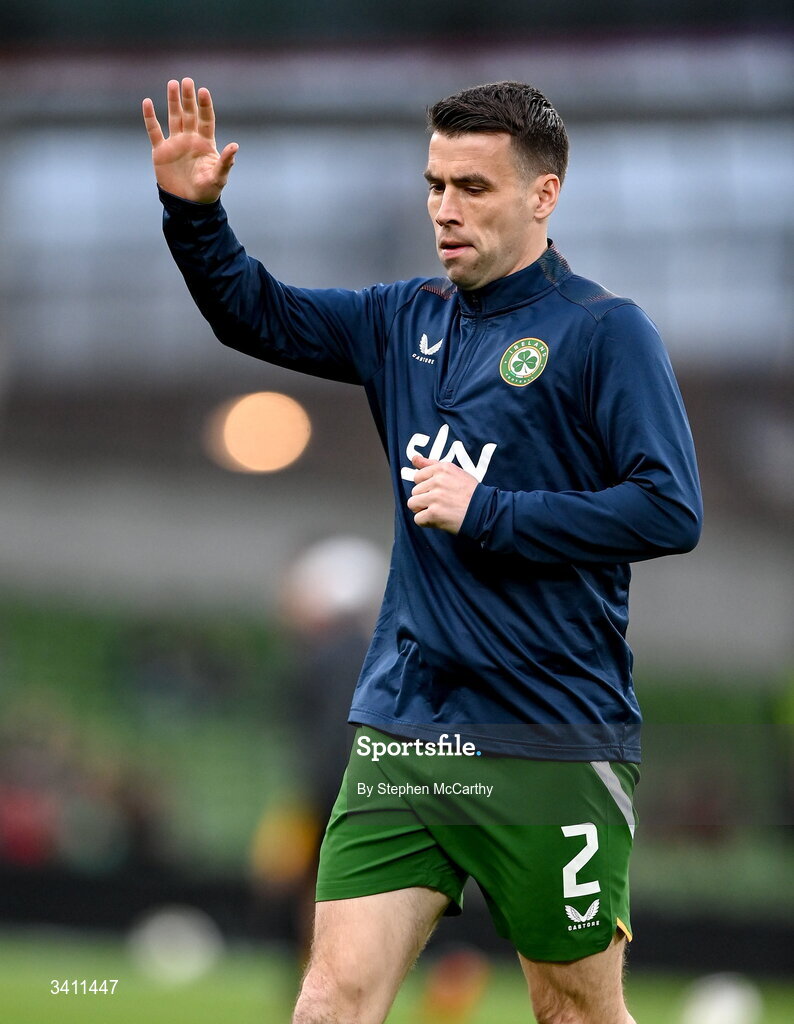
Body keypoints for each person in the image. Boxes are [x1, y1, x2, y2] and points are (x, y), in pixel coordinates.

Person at [142, 78, 702, 1024]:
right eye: (435, 184)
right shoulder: (403, 320)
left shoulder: (606, 333)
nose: (445, 208)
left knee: (573, 1012)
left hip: (548, 735)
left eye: (473, 187)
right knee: (328, 1003)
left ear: (543, 194)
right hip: (407, 734)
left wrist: (493, 513)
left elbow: (668, 509)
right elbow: (256, 313)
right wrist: (194, 216)